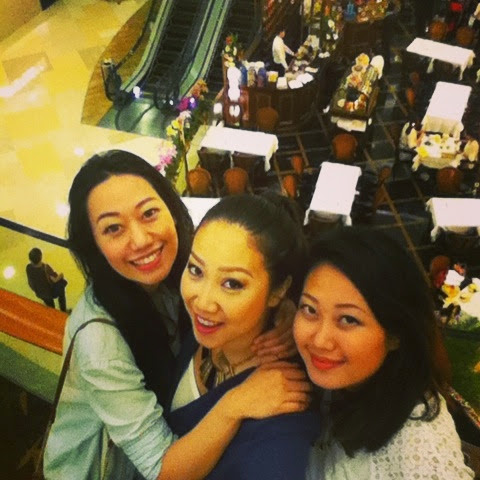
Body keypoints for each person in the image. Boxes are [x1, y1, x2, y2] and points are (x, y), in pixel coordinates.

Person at [43, 150, 311, 480]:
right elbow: (162, 469)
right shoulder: (100, 345)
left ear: (171, 207)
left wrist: (288, 308)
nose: (141, 240)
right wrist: (234, 404)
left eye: (149, 213)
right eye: (113, 228)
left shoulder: (183, 265)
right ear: (93, 244)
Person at [293, 227, 474, 479]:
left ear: (395, 335)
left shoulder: (419, 447)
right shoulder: (307, 365)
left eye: (348, 319)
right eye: (310, 309)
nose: (320, 341)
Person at [167, 194, 321, 479]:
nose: (203, 302)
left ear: (278, 290)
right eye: (196, 270)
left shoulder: (281, 434)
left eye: (232, 283)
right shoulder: (206, 329)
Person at [26, 247, 68, 312]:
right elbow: (54, 280)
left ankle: (53, 313)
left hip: (40, 293)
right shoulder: (46, 268)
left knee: (50, 305)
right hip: (50, 292)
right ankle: (63, 310)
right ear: (41, 257)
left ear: (30, 259)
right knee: (61, 285)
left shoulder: (28, 268)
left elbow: (31, 283)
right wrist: (61, 275)